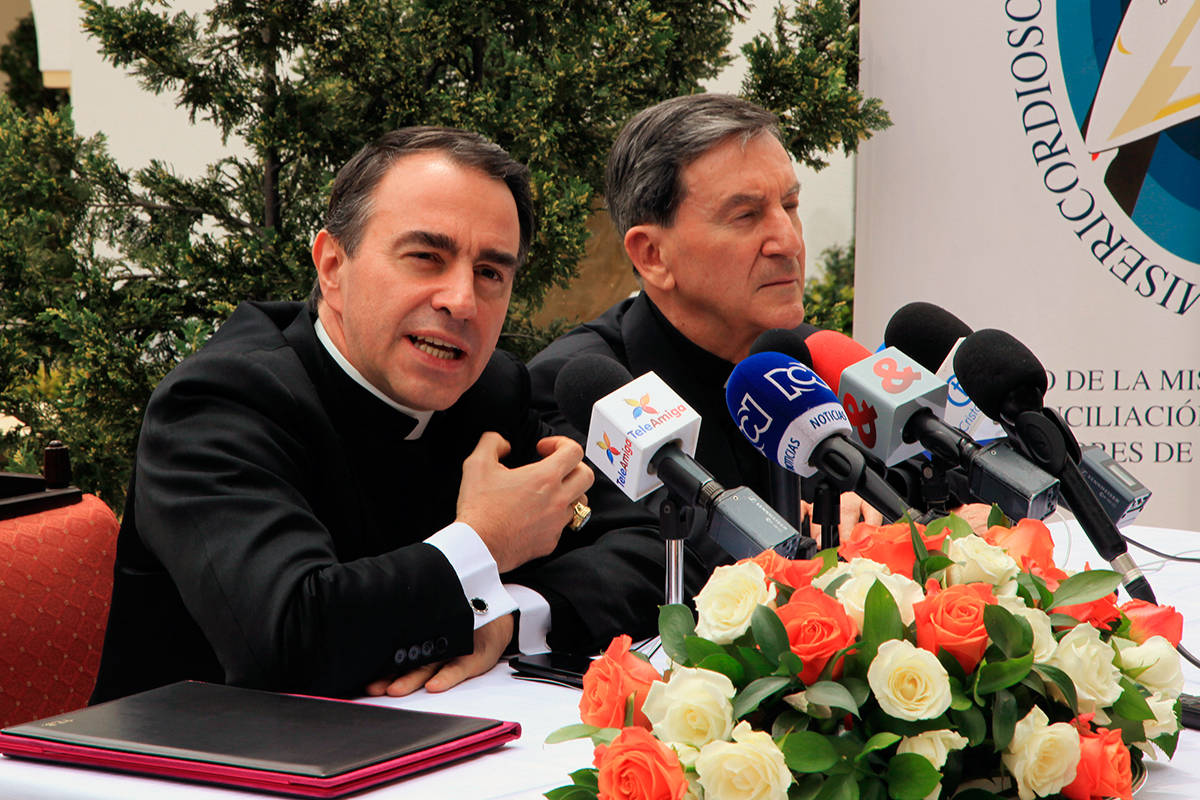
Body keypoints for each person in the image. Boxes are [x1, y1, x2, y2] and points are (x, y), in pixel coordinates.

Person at [91, 127, 669, 704]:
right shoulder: (218, 402)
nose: (461, 301)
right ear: (332, 266)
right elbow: (285, 642)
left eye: (491, 273)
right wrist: (487, 541)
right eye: (426, 258)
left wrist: (511, 614)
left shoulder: (490, 390)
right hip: (202, 749)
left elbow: (658, 548)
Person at [528, 94, 883, 567]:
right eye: (746, 215)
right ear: (653, 256)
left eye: (791, 204)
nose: (789, 241)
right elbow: (667, 559)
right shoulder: (581, 390)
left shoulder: (822, 358)